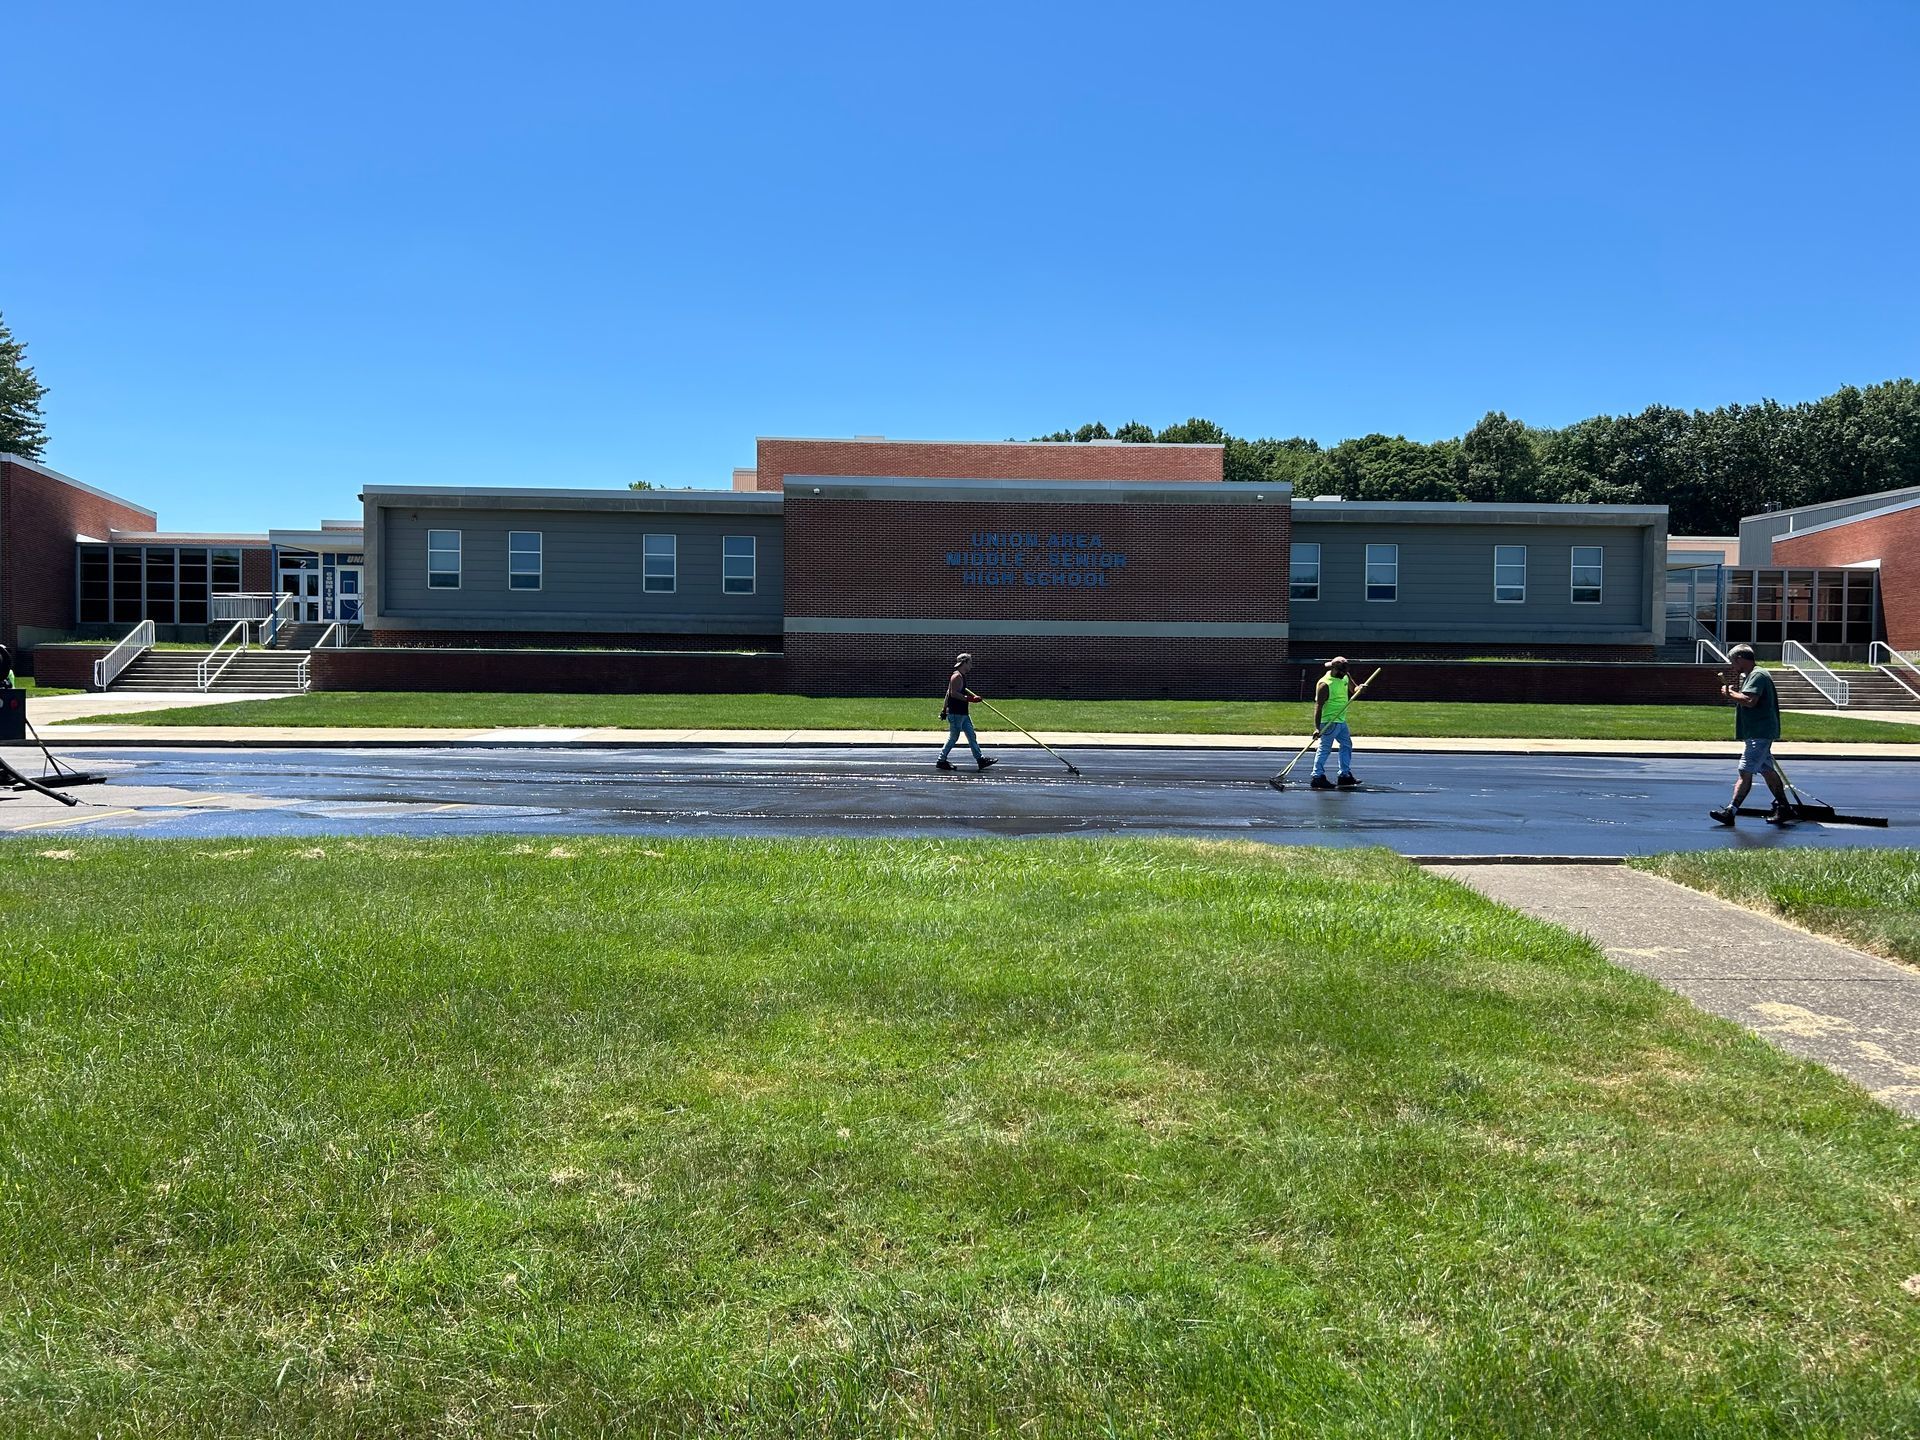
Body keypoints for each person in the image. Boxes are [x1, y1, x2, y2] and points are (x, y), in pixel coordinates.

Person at [1710, 643, 1791, 826]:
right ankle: (1785, 808)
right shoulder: (1754, 675)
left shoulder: (1757, 675)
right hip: (1758, 732)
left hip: (1759, 733)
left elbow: (1750, 700)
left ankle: (1731, 811)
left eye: (1733, 662)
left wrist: (1730, 694)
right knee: (1767, 771)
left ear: (1740, 659)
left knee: (1744, 772)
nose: (1732, 666)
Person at [936, 653, 996, 772]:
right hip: (956, 713)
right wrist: (971, 699)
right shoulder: (956, 676)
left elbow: (948, 693)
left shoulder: (961, 676)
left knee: (971, 735)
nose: (971, 665)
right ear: (965, 662)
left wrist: (944, 709)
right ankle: (941, 760)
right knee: (954, 737)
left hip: (963, 713)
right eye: (970, 663)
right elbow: (953, 694)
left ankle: (980, 760)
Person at [1309, 656, 1360, 790]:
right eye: (1342, 671)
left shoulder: (1345, 676)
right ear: (1334, 669)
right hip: (1329, 722)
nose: (1345, 674)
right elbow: (1318, 706)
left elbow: (1353, 689)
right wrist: (1317, 728)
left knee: (1346, 745)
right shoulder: (1324, 684)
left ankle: (1344, 775)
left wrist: (1359, 689)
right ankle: (1317, 776)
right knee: (1325, 749)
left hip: (1341, 720)